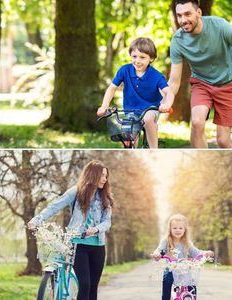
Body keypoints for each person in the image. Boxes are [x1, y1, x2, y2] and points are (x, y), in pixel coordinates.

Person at [168, 0, 232, 148]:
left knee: (223, 141)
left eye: (187, 14)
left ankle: (231, 167)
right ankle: (203, 166)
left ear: (199, 13)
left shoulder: (220, 26)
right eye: (179, 15)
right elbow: (174, 81)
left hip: (229, 83)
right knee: (197, 122)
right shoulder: (178, 41)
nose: (183, 20)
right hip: (202, 83)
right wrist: (167, 101)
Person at [28, 160, 113, 300]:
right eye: (102, 175)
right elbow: (55, 206)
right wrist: (37, 220)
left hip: (98, 246)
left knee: (92, 288)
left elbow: (107, 221)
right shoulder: (76, 192)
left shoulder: (105, 197)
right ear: (92, 175)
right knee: (84, 285)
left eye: (106, 176)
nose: (105, 179)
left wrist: (96, 229)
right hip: (78, 245)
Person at [97, 37, 174, 148]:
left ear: (151, 58)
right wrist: (104, 106)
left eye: (142, 57)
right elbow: (112, 88)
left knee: (147, 119)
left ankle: (154, 150)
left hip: (150, 109)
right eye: (134, 56)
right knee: (129, 135)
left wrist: (166, 105)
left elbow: (169, 92)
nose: (137, 61)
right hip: (130, 110)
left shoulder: (156, 76)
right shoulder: (124, 70)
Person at [151, 214, 214, 300]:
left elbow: (196, 253)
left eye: (180, 228)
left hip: (184, 269)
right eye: (175, 228)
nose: (178, 230)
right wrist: (157, 254)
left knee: (192, 284)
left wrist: (205, 253)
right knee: (167, 280)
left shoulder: (186, 242)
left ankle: (192, 298)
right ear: (170, 229)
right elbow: (158, 249)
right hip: (170, 269)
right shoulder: (166, 240)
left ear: (185, 230)